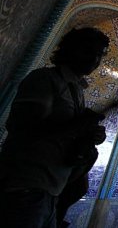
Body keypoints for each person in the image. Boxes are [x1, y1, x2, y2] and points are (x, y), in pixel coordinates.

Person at [0, 27, 110, 228]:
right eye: (88, 51)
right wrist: (78, 125)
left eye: (98, 55)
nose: (94, 60)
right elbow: (23, 127)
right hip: (24, 187)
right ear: (70, 49)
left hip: (52, 193)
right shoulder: (45, 79)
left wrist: (89, 134)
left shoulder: (76, 90)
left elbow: (68, 134)